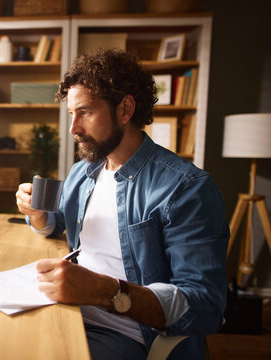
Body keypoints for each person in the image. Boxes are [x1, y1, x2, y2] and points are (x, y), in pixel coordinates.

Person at [15, 49, 229, 360]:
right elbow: (59, 223)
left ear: (125, 109)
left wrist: (101, 290)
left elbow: (205, 306)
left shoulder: (186, 188)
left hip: (130, 334)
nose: (73, 128)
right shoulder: (83, 172)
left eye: (85, 112)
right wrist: (37, 215)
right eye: (71, 114)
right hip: (70, 311)